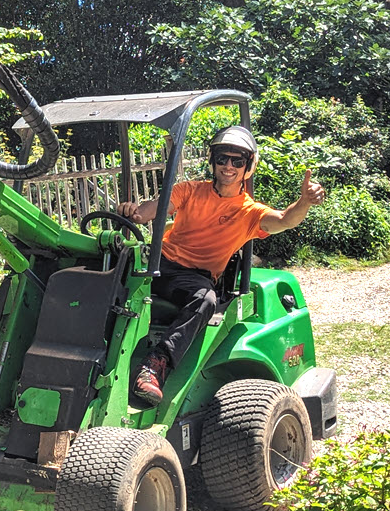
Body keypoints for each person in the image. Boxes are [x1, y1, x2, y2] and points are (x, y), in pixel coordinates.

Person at [117, 125, 326, 406]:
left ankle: (156, 365)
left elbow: (285, 220)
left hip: (192, 279)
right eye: (222, 159)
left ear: (248, 167)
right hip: (159, 263)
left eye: (237, 161)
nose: (228, 166)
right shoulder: (190, 191)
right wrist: (133, 211)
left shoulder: (250, 212)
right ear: (212, 161)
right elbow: (150, 210)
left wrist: (304, 202)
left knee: (205, 299)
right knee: (108, 270)